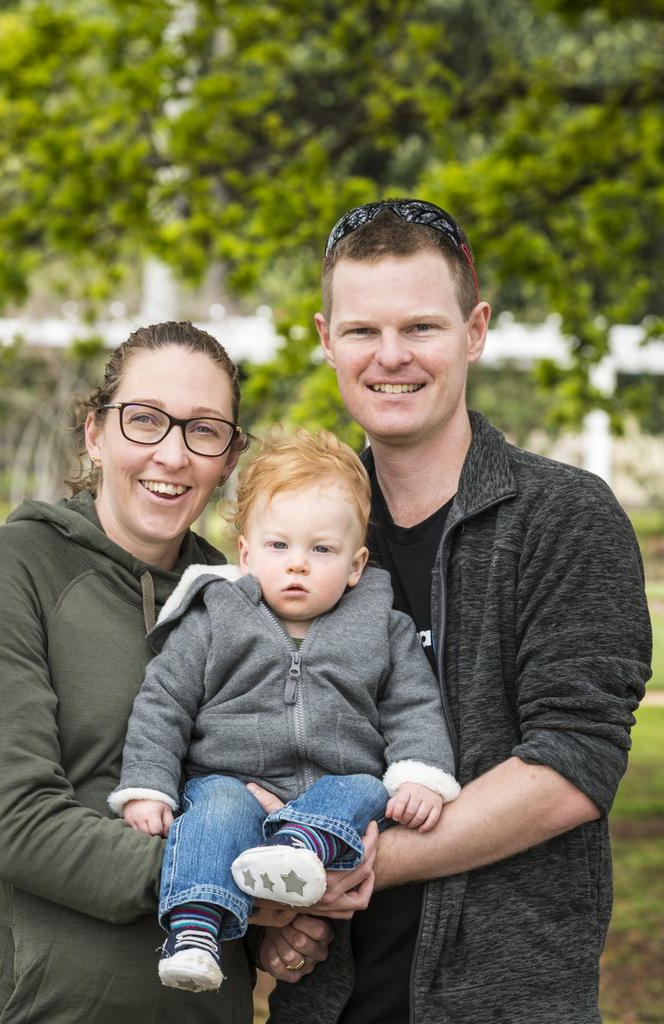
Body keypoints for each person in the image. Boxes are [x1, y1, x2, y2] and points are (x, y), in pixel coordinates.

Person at [255, 199, 653, 1024]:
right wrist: (279, 909)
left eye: (422, 329)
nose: (390, 357)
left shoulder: (564, 518)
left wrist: (363, 865)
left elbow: (573, 766)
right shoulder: (298, 533)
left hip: (504, 1001)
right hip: (324, 1006)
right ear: (326, 339)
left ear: (475, 331)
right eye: (363, 331)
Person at [0, 321, 335, 1024]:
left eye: (203, 430)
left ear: (227, 457)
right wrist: (231, 884)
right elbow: (19, 824)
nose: (172, 453)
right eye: (145, 421)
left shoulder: (247, 606)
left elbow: (265, 790)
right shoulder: (2, 572)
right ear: (95, 434)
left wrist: (288, 921)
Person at [107, 428, 459, 995]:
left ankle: (299, 850)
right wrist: (148, 785)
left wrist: (420, 773)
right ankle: (195, 933)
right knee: (213, 814)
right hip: (234, 778)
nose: (298, 565)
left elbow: (414, 706)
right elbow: (162, 702)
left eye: (321, 550)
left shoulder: (382, 628)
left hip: (335, 782)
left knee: (366, 790)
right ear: (246, 554)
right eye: (279, 547)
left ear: (355, 563)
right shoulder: (215, 620)